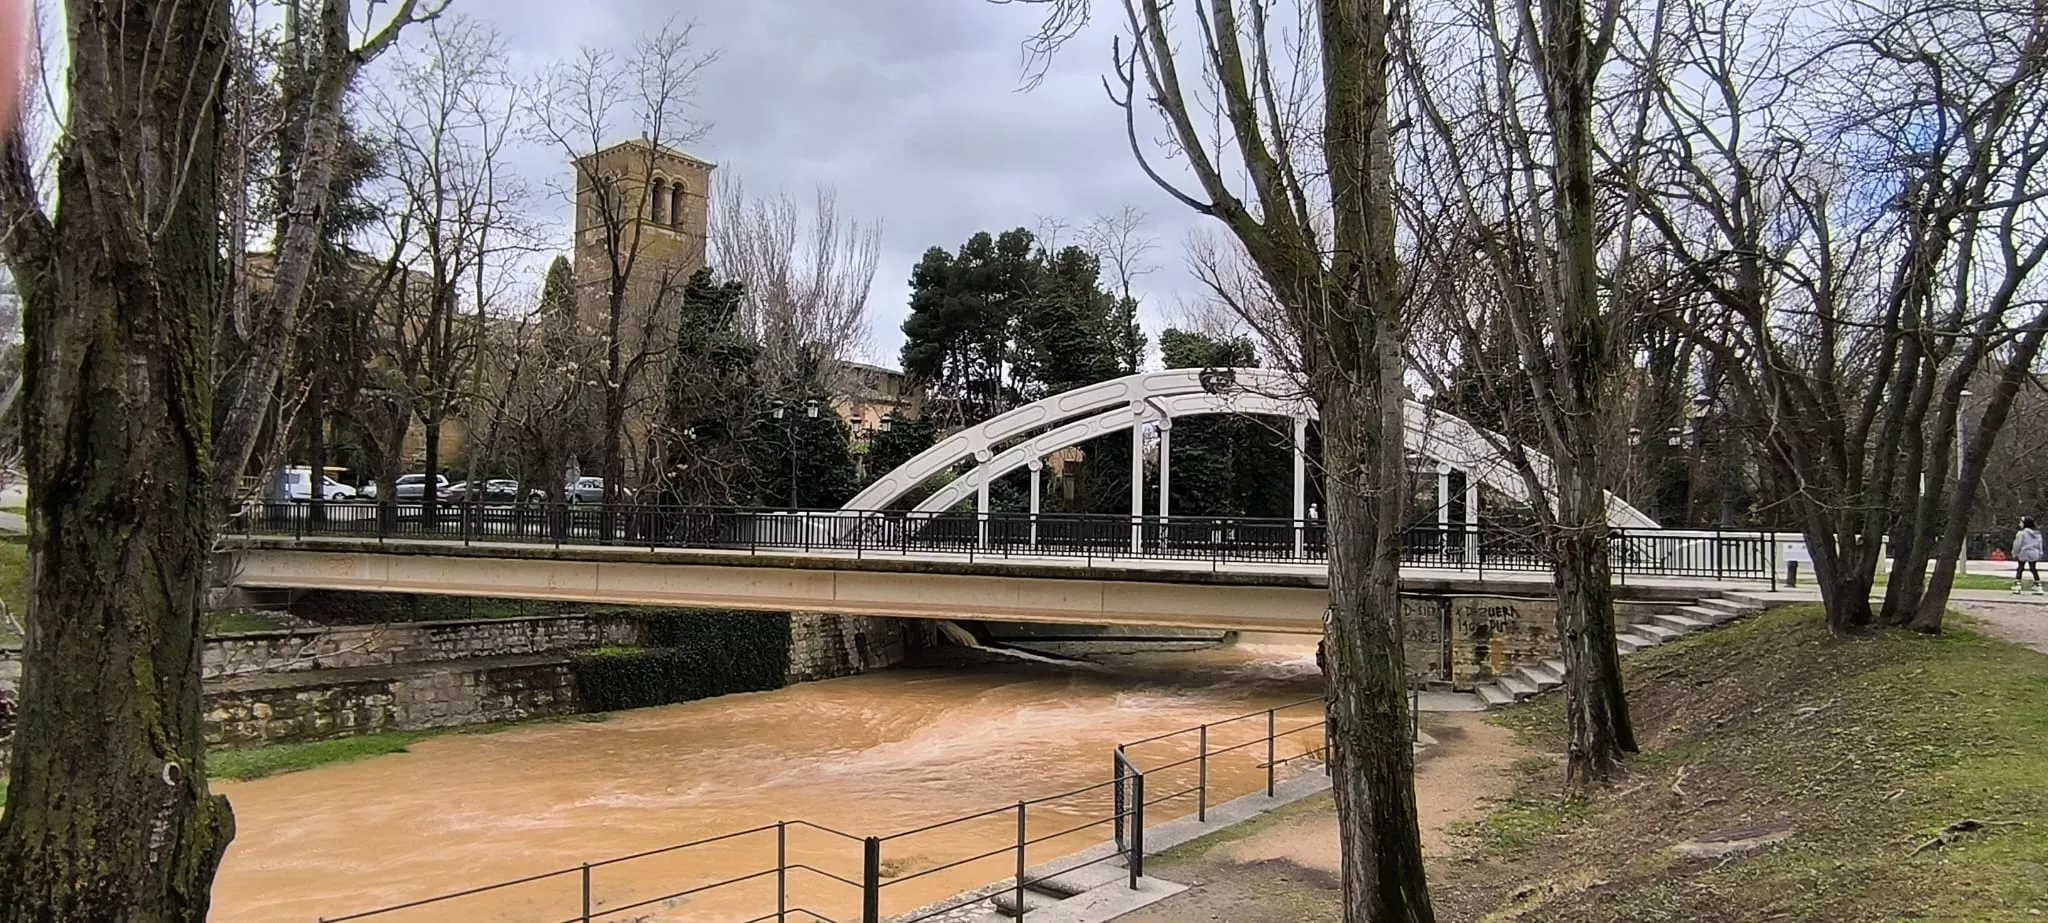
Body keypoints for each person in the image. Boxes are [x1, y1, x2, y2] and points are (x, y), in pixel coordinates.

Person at [2013, 517, 2044, 595]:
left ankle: (2018, 585)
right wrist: (2040, 552)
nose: (2019, 524)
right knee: (2033, 568)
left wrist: (2015, 552)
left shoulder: (2021, 533)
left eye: (2021, 522)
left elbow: (2017, 544)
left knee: (2020, 568)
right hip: (2034, 553)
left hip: (2024, 552)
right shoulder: (2037, 534)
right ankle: (2038, 586)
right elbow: (2040, 544)